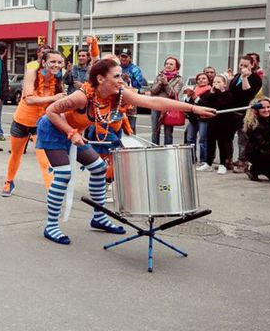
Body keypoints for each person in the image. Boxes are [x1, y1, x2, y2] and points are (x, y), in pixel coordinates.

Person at [37, 58, 215, 245]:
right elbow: (51, 111)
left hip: (75, 134)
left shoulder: (119, 94)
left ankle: (99, 217)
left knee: (99, 168)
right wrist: (71, 133)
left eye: (121, 75)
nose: (121, 80)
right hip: (54, 130)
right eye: (116, 76)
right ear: (100, 79)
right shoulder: (82, 97)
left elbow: (153, 101)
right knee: (63, 174)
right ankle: (51, 225)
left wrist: (193, 108)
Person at [2, 49, 65, 197]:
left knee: (44, 160)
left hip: (41, 124)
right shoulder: (33, 73)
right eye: (53, 62)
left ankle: (52, 193)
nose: (56, 65)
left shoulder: (58, 79)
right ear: (44, 63)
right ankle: (8, 182)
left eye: (59, 62)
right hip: (21, 121)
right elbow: (28, 99)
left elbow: (58, 104)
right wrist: (54, 98)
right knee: (16, 155)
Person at [228, 55, 263, 173]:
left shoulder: (256, 78)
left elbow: (248, 94)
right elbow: (231, 91)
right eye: (241, 65)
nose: (243, 67)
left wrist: (245, 78)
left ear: (252, 65)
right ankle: (228, 159)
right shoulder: (236, 76)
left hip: (244, 111)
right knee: (228, 137)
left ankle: (243, 161)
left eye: (246, 65)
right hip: (232, 111)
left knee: (243, 138)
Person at [198, 75, 236, 174]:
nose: (216, 84)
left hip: (224, 122)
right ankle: (208, 163)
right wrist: (211, 93)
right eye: (214, 82)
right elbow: (206, 104)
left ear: (224, 84)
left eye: (219, 82)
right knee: (210, 142)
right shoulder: (211, 93)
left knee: (222, 143)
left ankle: (222, 164)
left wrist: (219, 92)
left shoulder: (228, 94)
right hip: (212, 121)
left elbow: (223, 104)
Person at [243, 98, 270, 181]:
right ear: (256, 110)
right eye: (263, 108)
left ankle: (268, 171)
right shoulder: (254, 124)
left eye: (268, 107)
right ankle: (254, 170)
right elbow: (262, 144)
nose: (266, 110)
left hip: (268, 149)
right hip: (255, 151)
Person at [148, 56, 184, 145]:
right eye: (167, 64)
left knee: (168, 133)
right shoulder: (159, 76)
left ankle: (168, 151)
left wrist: (166, 84)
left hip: (169, 107)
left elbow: (173, 93)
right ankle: (154, 149)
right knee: (155, 131)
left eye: (171, 64)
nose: (168, 65)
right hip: (156, 105)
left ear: (176, 67)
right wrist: (160, 83)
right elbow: (153, 92)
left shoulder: (179, 79)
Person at [117, 48, 147, 132]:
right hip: (117, 100)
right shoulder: (116, 68)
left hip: (130, 101)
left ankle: (131, 143)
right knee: (117, 125)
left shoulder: (135, 69)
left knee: (130, 126)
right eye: (122, 56)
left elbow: (139, 85)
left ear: (130, 58)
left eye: (126, 57)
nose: (123, 58)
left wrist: (129, 79)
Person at [185, 72, 212, 163]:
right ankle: (191, 158)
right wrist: (189, 96)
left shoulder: (210, 91)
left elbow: (205, 105)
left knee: (202, 140)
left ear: (208, 81)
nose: (201, 80)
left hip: (203, 119)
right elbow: (187, 104)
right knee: (190, 139)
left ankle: (203, 160)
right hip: (193, 118)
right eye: (199, 79)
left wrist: (195, 97)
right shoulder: (194, 89)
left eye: (204, 78)